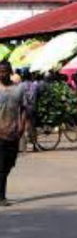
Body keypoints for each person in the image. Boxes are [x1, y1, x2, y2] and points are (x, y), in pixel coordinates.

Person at [0, 61, 26, 206]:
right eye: (0, 71)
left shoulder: (19, 89)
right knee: (2, 167)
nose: (2, 74)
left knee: (10, 164)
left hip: (14, 133)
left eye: (4, 71)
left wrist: (22, 126)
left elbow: (23, 109)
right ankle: (1, 197)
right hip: (0, 134)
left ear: (10, 72)